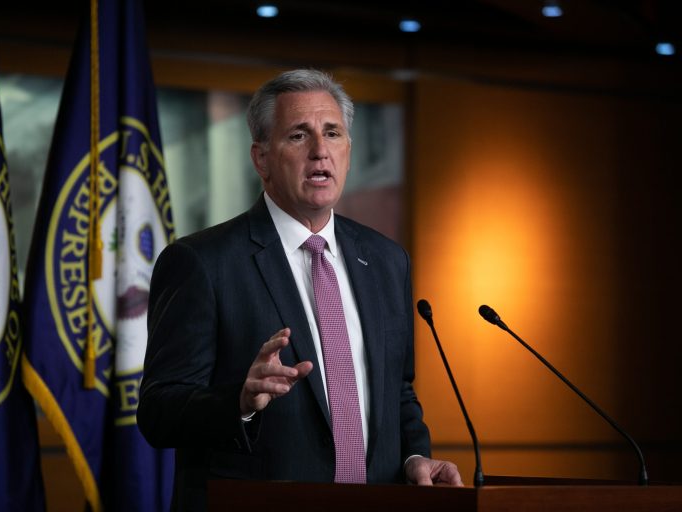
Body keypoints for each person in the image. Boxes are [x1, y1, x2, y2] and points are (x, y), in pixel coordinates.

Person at [138, 69, 462, 511]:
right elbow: (159, 411)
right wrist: (239, 400)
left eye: (333, 133)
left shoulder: (386, 260)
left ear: (348, 151)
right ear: (261, 159)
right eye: (298, 135)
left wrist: (414, 456)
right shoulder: (202, 263)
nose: (319, 151)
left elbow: (398, 390)